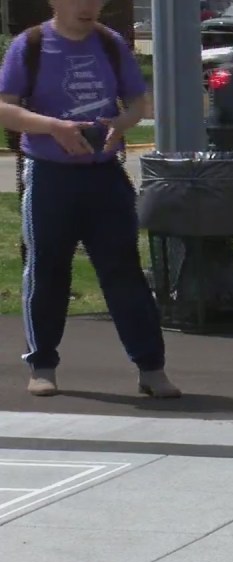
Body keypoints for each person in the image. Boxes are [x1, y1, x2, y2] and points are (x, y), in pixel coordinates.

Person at [0, 0, 180, 399]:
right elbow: (5, 109)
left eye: (95, 0)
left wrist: (120, 124)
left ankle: (151, 368)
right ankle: (42, 364)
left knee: (125, 272)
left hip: (104, 175)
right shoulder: (29, 45)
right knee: (47, 270)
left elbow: (136, 103)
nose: (88, 7)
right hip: (49, 175)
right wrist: (54, 128)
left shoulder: (111, 43)